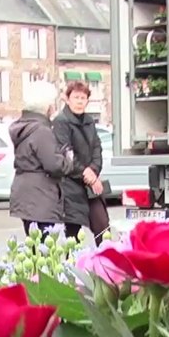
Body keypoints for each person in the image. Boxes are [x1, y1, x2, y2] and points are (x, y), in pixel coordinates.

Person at [9, 82, 75, 235]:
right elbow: (54, 165)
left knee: (33, 243)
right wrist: (68, 160)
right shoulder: (41, 130)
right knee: (45, 248)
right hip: (41, 196)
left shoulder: (24, 126)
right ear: (47, 107)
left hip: (25, 193)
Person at [52, 82, 106, 242]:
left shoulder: (89, 121)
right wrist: (85, 173)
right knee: (73, 235)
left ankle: (103, 264)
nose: (80, 101)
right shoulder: (61, 121)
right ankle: (72, 265)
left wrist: (94, 170)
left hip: (90, 184)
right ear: (67, 99)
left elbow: (97, 148)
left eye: (83, 98)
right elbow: (66, 152)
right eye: (76, 97)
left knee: (103, 228)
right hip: (70, 185)